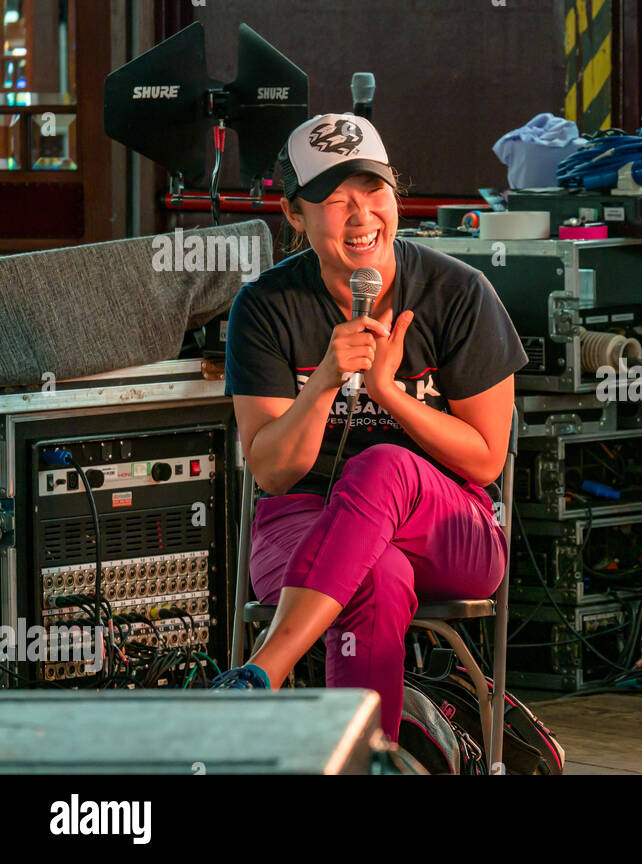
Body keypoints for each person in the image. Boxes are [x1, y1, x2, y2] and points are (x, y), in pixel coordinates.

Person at [213, 113, 526, 742]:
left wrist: (388, 395)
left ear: (395, 195)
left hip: (451, 527)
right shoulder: (266, 305)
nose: (361, 217)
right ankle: (366, 757)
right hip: (305, 521)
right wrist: (326, 380)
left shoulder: (458, 292)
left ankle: (262, 671)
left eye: (374, 193)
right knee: (376, 577)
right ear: (294, 214)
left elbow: (487, 460)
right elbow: (272, 470)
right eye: (333, 200)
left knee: (380, 463)